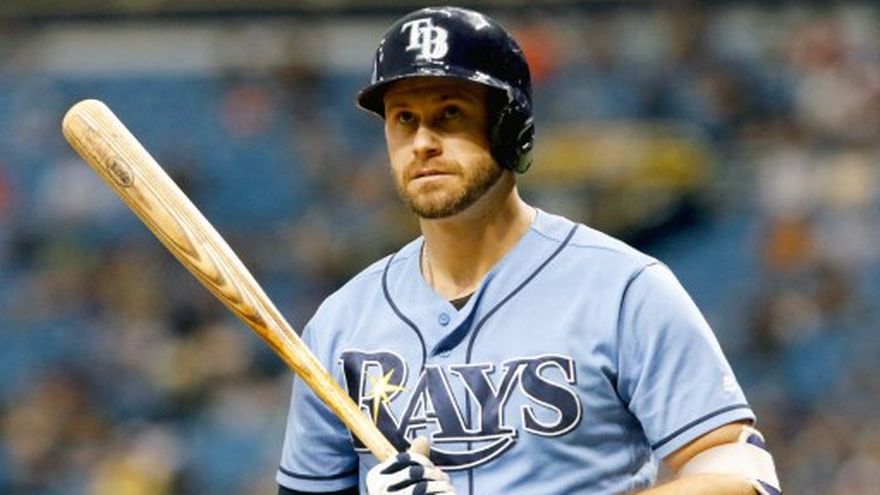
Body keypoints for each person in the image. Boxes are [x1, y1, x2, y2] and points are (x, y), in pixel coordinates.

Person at [277, 6, 780, 495]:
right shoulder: (340, 324)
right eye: (404, 119)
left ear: (510, 128)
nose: (423, 142)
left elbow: (742, 473)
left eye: (450, 114)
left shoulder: (622, 289)